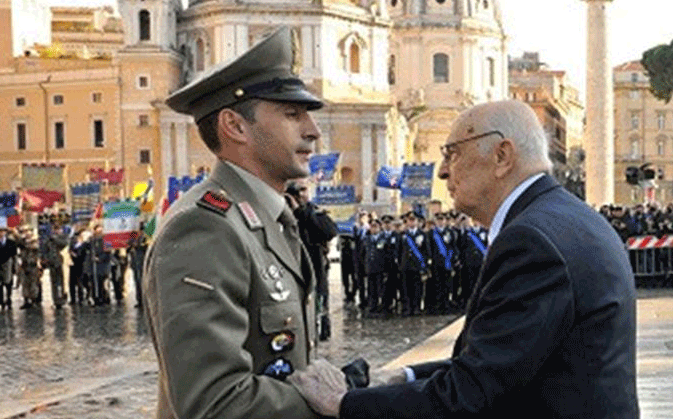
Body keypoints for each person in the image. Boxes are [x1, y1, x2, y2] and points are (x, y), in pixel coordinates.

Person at [287, 100, 639, 418]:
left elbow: (470, 394)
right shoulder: (565, 217)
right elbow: (501, 363)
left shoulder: (531, 240)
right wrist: (403, 375)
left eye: (452, 153)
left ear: (502, 156)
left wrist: (343, 403)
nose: (442, 171)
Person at [143, 26, 327, 419]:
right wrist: (329, 402)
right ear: (235, 126)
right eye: (292, 114)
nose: (313, 131)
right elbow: (214, 401)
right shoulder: (205, 228)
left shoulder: (267, 219)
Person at [286, 180, 338, 339]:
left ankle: (321, 330)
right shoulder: (282, 212)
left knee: (318, 302)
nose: (300, 195)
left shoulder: (313, 212)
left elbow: (329, 231)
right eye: (296, 193)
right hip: (291, 266)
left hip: (314, 266)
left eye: (303, 190)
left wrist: (301, 211)